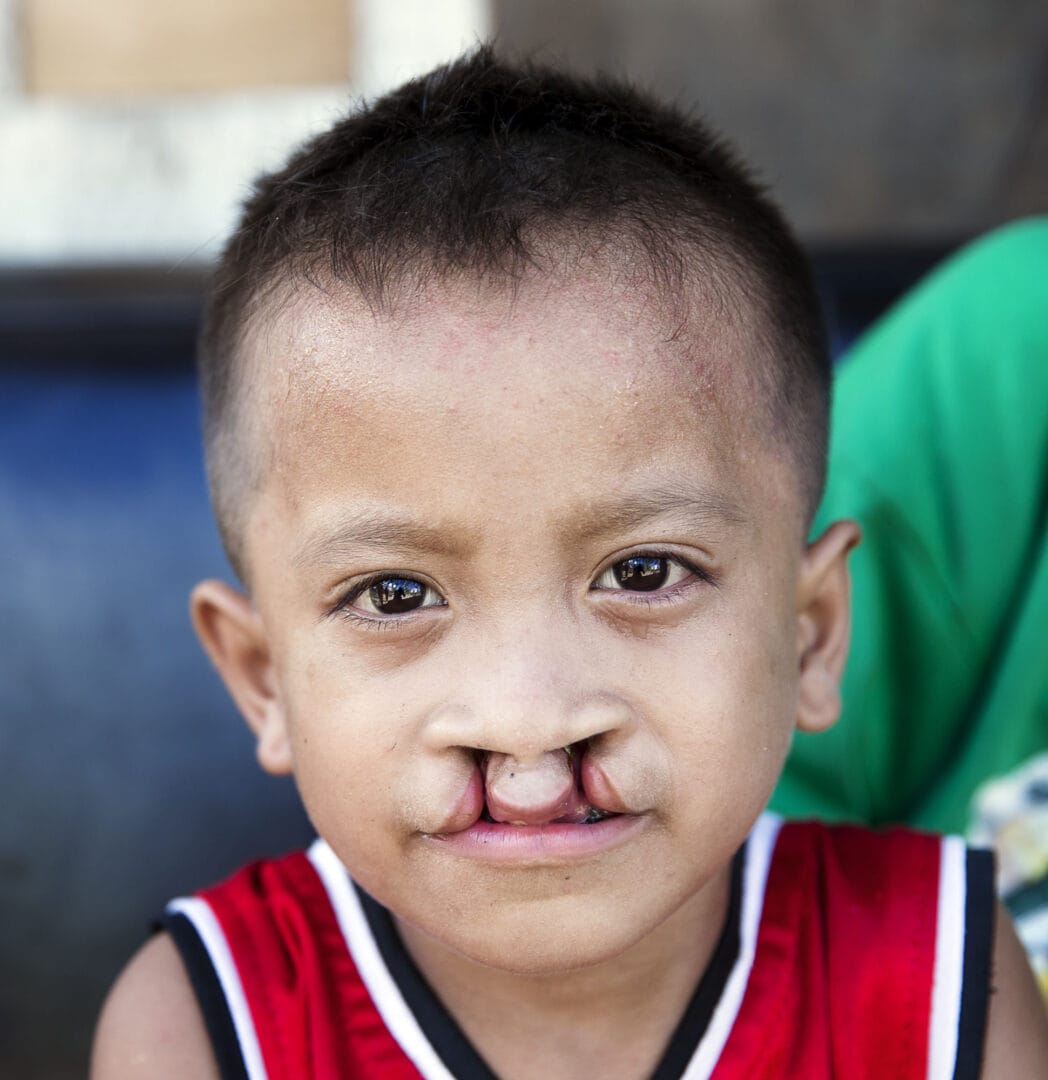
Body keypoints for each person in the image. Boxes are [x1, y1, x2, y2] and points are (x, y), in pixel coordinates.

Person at [90, 49, 1048, 1078]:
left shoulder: (945, 973)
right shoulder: (201, 1022)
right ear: (262, 675)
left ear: (810, 634)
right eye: (395, 594)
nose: (529, 716)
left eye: (642, 574)